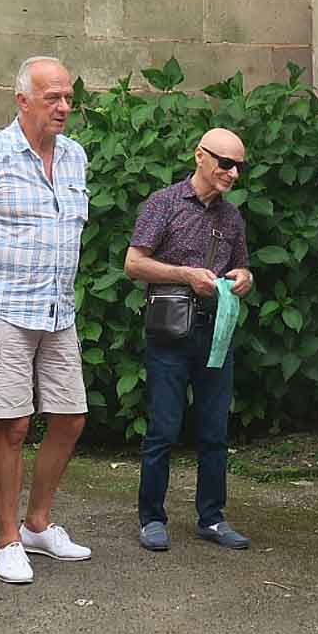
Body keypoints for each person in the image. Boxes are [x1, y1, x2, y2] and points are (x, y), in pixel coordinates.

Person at [0, 55, 94, 585]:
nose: (64, 107)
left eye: (68, 97)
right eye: (52, 97)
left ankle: (37, 524)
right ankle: (8, 539)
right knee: (12, 425)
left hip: (57, 308)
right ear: (22, 100)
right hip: (3, 307)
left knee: (71, 415)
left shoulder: (74, 157)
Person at [125, 128, 255, 551]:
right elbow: (133, 264)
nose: (233, 173)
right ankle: (151, 519)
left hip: (215, 332)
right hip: (169, 329)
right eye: (225, 163)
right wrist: (185, 274)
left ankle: (211, 518)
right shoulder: (163, 203)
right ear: (200, 156)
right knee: (163, 428)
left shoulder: (232, 217)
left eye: (239, 166)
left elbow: (242, 268)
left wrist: (243, 278)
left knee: (215, 431)